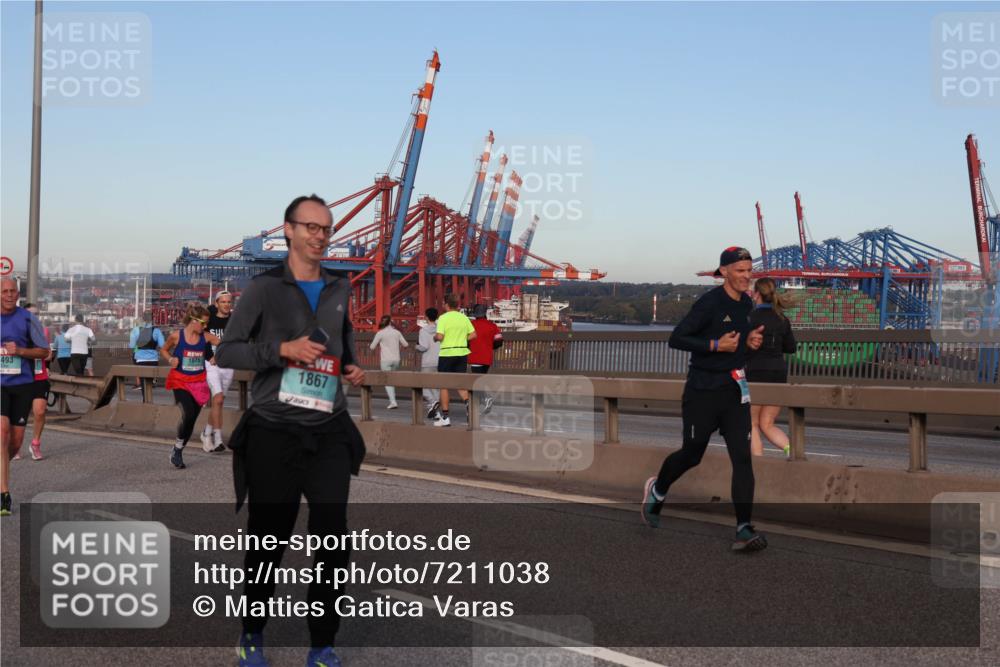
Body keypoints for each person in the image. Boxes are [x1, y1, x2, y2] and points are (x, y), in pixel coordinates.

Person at [216, 194, 366, 667]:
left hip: (329, 430)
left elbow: (342, 339)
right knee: (269, 541)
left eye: (326, 228)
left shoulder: (340, 286)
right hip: (274, 430)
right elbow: (228, 352)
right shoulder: (263, 288)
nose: (320, 236)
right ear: (288, 230)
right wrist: (282, 350)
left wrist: (351, 365)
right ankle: (251, 634)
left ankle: (322, 644)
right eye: (310, 227)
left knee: (333, 542)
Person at [641, 247, 767, 552]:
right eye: (740, 271)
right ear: (724, 272)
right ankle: (658, 489)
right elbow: (677, 338)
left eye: (749, 270)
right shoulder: (709, 302)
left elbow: (736, 345)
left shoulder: (746, 303)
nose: (747, 277)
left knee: (742, 458)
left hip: (735, 392)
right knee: (692, 454)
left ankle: (744, 528)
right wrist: (714, 345)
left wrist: (749, 342)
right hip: (703, 391)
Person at [0, 278, 50, 516]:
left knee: (16, 442)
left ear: (18, 294)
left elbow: (44, 351)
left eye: (13, 291)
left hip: (22, 384)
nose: (9, 295)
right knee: (2, 431)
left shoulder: (29, 319)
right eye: (5, 291)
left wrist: (19, 350)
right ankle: (4, 494)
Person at [160, 303, 217, 470]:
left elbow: (225, 343)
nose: (205, 327)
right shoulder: (176, 336)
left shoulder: (206, 337)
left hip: (199, 383)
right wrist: (171, 359)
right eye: (203, 323)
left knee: (191, 420)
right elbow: (164, 350)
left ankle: (177, 449)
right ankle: (178, 450)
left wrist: (217, 356)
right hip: (180, 381)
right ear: (194, 320)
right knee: (189, 413)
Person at [747, 277, 797, 457]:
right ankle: (792, 452)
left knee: (751, 423)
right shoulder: (782, 319)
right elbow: (791, 348)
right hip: (778, 373)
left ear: (756, 294)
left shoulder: (750, 318)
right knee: (767, 423)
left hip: (755, 372)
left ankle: (758, 464)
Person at [433, 293, 476, 427]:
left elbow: (440, 336)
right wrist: (462, 339)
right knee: (460, 383)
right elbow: (473, 335)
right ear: (457, 304)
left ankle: (445, 418)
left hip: (447, 353)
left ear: (446, 304)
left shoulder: (443, 318)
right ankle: (468, 403)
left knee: (444, 385)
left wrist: (435, 337)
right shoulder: (464, 318)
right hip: (462, 353)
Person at [200, 291, 234, 453]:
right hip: (211, 363)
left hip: (228, 364)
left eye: (229, 302)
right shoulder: (210, 319)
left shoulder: (234, 320)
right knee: (218, 398)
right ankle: (218, 439)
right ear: (216, 303)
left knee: (218, 402)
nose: (226, 305)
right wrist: (209, 356)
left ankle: (206, 433)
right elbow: (202, 337)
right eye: (223, 302)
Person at [22, 304, 52, 461]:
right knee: (19, 415)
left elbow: (49, 355)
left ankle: (35, 443)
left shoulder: (43, 331)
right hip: (20, 378)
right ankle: (14, 444)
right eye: (30, 314)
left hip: (40, 377)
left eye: (36, 313)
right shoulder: (14, 332)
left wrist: (40, 354)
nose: (34, 316)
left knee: (39, 412)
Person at [468, 303, 503, 414]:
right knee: (480, 380)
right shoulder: (492, 326)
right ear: (485, 313)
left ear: (475, 314)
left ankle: (486, 398)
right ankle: (477, 406)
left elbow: (466, 341)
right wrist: (490, 346)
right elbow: (499, 342)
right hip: (487, 358)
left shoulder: (471, 325)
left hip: (475, 357)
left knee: (476, 381)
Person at [369, 314, 408, 409]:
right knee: (392, 380)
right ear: (390, 322)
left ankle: (393, 402)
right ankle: (393, 400)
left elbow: (372, 347)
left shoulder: (380, 333)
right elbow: (406, 344)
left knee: (387, 381)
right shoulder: (397, 332)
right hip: (396, 360)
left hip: (385, 360)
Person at [415, 307, 441, 419]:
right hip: (439, 360)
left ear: (426, 317)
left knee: (425, 386)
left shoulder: (423, 331)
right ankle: (436, 412)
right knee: (436, 387)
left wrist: (417, 347)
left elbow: (424, 346)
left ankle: (432, 402)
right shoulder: (440, 329)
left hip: (427, 362)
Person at [129, 311, 165, 388]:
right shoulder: (157, 331)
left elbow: (132, 346)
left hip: (140, 360)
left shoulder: (136, 330)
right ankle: (152, 383)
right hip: (153, 359)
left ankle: (143, 389)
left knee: (143, 385)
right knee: (149, 383)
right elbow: (162, 345)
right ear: (152, 319)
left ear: (143, 318)